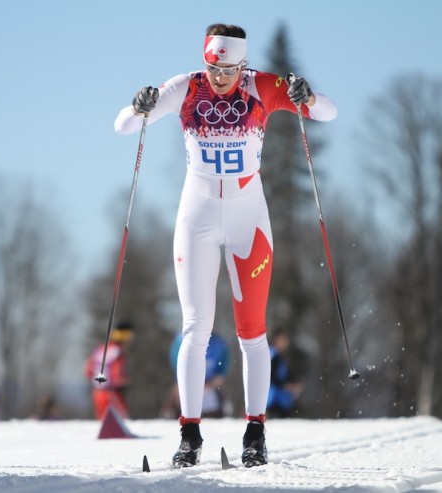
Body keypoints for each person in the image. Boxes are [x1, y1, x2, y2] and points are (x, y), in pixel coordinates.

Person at [114, 23, 336, 467]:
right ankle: (189, 435)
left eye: (229, 69)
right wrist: (138, 107)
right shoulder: (184, 88)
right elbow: (122, 126)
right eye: (214, 68)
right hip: (195, 217)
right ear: (206, 62)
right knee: (195, 329)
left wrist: (307, 97)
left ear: (243, 64)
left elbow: (327, 113)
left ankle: (255, 432)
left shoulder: (264, 87)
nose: (220, 78)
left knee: (252, 332)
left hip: (247, 220)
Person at [163, 332, 229, 419]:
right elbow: (177, 368)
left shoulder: (219, 343)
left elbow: (222, 372)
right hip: (187, 385)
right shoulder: (180, 340)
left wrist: (209, 385)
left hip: (211, 388)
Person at [84, 321, 134, 419]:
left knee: (104, 425)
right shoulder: (117, 351)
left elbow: (88, 371)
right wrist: (126, 381)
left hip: (97, 393)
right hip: (111, 393)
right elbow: (117, 376)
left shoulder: (100, 348)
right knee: (121, 423)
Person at [267, 327, 304, 418]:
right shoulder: (273, 355)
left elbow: (285, 375)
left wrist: (295, 383)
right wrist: (286, 385)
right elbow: (270, 377)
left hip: (282, 402)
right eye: (283, 339)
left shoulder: (280, 356)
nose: (286, 343)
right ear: (276, 339)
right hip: (273, 401)